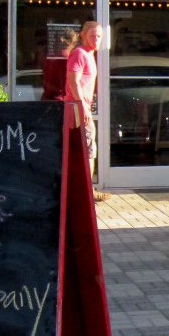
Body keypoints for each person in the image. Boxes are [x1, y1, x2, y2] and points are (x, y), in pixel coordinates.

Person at [65, 21, 111, 202]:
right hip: (77, 109)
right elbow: (73, 81)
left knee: (87, 150)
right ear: (83, 35)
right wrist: (82, 107)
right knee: (89, 150)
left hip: (81, 108)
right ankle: (87, 192)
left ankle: (85, 190)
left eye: (99, 36)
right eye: (92, 35)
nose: (96, 39)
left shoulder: (90, 55)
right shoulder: (79, 53)